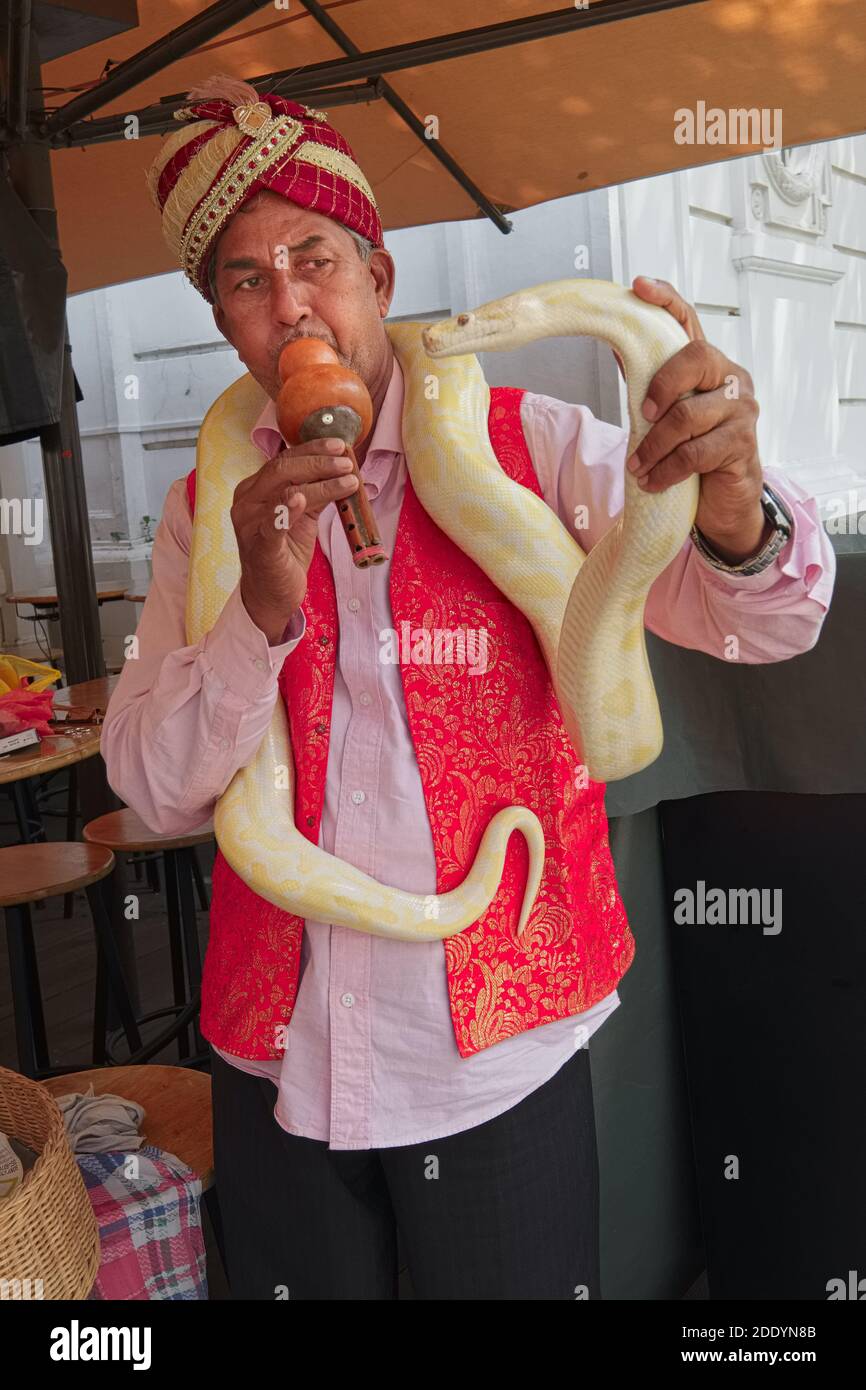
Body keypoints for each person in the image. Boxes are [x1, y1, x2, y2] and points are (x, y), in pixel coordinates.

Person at [102, 74, 836, 1300]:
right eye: (244, 280)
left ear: (378, 277)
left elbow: (766, 624)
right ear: (223, 324)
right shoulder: (200, 517)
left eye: (315, 258)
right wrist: (257, 615)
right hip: (272, 1051)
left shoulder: (534, 446)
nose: (290, 305)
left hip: (492, 1058)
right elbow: (154, 790)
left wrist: (728, 496)